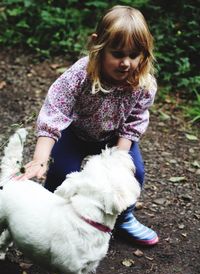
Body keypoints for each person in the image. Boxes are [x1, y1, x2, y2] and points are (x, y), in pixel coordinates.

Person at [21, 5, 159, 245]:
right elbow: (54, 111)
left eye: (134, 55)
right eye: (117, 53)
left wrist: (119, 158)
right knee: (61, 173)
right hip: (75, 135)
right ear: (98, 46)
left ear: (144, 54)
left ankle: (122, 217)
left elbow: (135, 120)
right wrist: (40, 158)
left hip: (114, 138)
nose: (126, 63)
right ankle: (52, 216)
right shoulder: (79, 75)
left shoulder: (142, 83)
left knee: (134, 172)